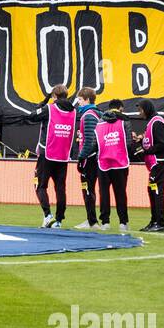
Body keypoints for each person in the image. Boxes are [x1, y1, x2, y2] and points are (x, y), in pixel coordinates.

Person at [32, 85, 76, 228]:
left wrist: (45, 100)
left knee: (39, 185)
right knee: (60, 188)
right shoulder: (73, 111)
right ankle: (58, 220)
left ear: (54, 96)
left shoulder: (49, 109)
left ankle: (47, 214)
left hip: (47, 153)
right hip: (63, 156)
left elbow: (32, 116)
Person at [135, 99, 164, 232]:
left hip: (160, 161)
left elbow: (163, 144)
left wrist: (147, 151)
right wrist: (142, 141)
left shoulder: (157, 122)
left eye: (140, 109)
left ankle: (160, 222)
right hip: (156, 163)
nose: (139, 112)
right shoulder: (152, 122)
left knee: (157, 191)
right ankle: (154, 221)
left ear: (146, 109)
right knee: (152, 190)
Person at [95, 99, 131, 232]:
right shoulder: (124, 121)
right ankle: (123, 222)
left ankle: (105, 222)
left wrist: (82, 156)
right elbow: (128, 143)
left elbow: (96, 142)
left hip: (103, 162)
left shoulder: (100, 122)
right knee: (121, 193)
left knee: (104, 193)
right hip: (120, 162)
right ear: (120, 108)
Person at [68, 88, 101, 229]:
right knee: (90, 189)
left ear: (87, 100)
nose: (78, 103)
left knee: (87, 188)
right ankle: (92, 220)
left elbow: (90, 141)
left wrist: (81, 158)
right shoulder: (96, 113)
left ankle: (92, 221)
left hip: (90, 159)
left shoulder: (88, 115)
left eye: (80, 100)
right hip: (94, 158)